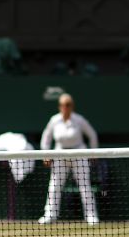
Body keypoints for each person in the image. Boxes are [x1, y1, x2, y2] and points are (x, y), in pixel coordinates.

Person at [38, 93, 99, 225]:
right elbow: (46, 138)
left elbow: (92, 135)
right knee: (54, 186)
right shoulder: (54, 120)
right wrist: (46, 154)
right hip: (60, 155)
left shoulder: (79, 119)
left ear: (72, 106)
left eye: (68, 104)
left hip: (78, 154)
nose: (66, 107)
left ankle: (91, 216)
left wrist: (93, 153)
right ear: (59, 106)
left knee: (84, 186)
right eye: (63, 105)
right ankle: (50, 215)